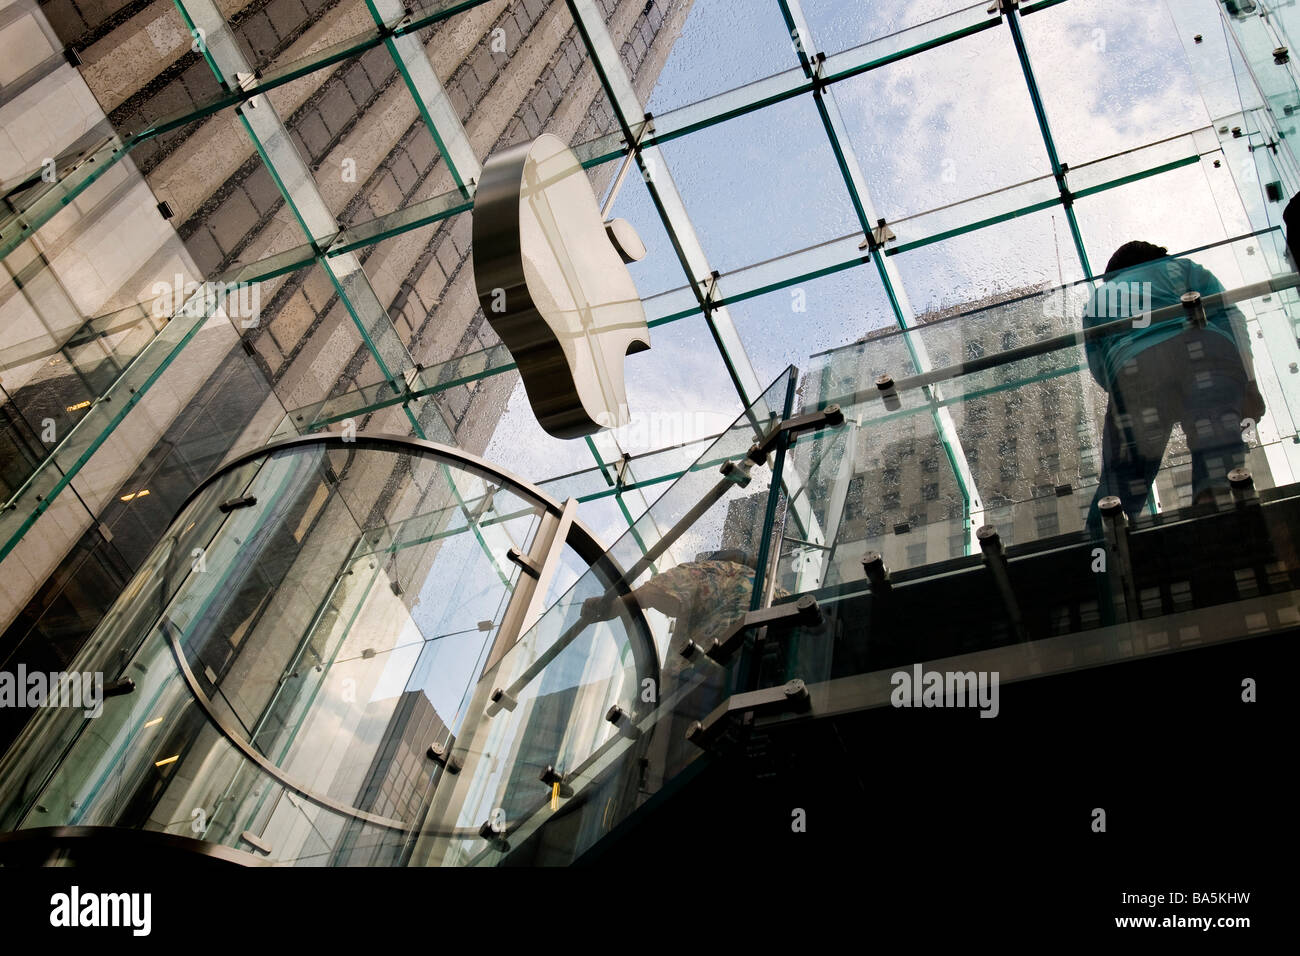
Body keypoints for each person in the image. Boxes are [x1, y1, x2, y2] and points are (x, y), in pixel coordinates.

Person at [1084, 241, 1265, 533]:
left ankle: (1101, 543)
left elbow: (1098, 360)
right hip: (1205, 349)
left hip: (1136, 365)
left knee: (1125, 469)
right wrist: (1249, 382)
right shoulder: (1184, 269)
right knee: (1215, 433)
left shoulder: (1101, 297)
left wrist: (1128, 393)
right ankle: (1213, 504)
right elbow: (1231, 317)